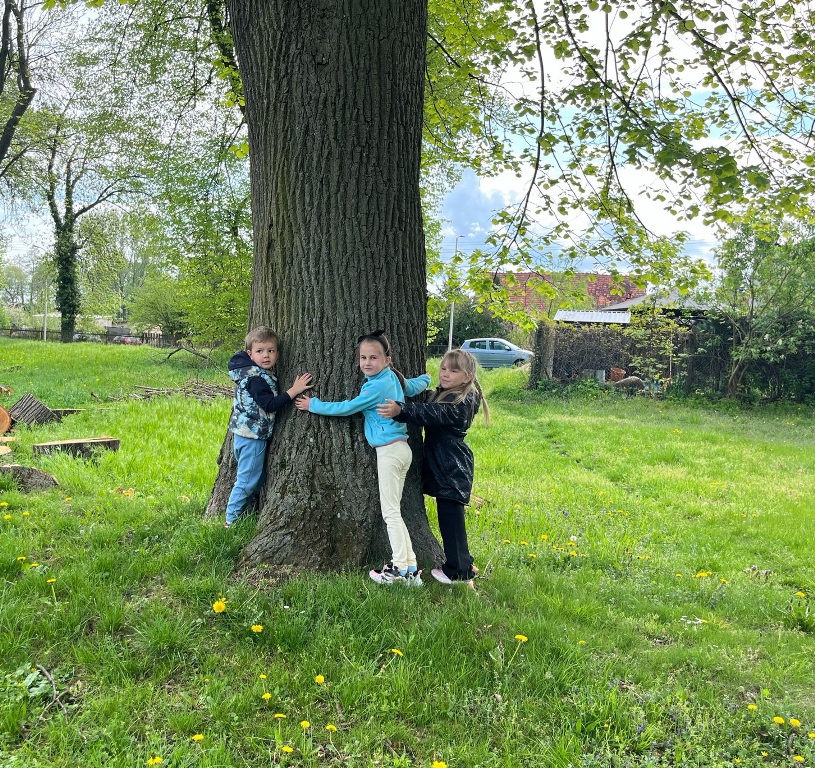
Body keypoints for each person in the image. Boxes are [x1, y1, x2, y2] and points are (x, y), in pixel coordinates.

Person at [295, 330, 430, 585]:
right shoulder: (392, 378)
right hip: (402, 450)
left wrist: (313, 404)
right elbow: (412, 386)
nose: (367, 363)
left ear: (387, 360)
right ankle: (410, 569)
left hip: (390, 452)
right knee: (395, 511)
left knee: (391, 513)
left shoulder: (376, 387)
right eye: (363, 357)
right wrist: (427, 378)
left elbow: (348, 407)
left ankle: (399, 570)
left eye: (373, 358)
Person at [377, 348, 488, 588]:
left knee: (451, 521)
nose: (445, 374)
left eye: (453, 371)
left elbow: (431, 412)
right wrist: (395, 378)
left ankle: (458, 570)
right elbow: (422, 400)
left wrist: (402, 410)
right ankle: (465, 564)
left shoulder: (462, 400)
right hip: (447, 466)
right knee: (450, 519)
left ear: (468, 376)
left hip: (452, 468)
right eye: (443, 368)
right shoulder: (445, 394)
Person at [225, 326, 313, 527]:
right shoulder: (255, 379)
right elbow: (270, 405)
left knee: (255, 477)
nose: (266, 355)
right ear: (250, 354)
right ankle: (230, 521)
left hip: (245, 434)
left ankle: (247, 512)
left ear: (277, 353)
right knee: (247, 480)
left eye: (271, 351)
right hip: (252, 437)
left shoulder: (249, 372)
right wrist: (294, 390)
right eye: (260, 351)